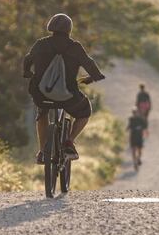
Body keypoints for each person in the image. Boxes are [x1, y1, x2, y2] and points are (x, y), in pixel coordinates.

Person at [23, 13, 105, 164]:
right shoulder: (75, 47)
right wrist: (94, 77)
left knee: (42, 114)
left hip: (42, 94)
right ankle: (69, 141)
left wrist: (27, 72)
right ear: (69, 30)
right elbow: (89, 63)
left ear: (50, 27)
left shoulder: (41, 44)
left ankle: (42, 152)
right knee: (84, 111)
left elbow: (28, 59)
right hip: (68, 96)